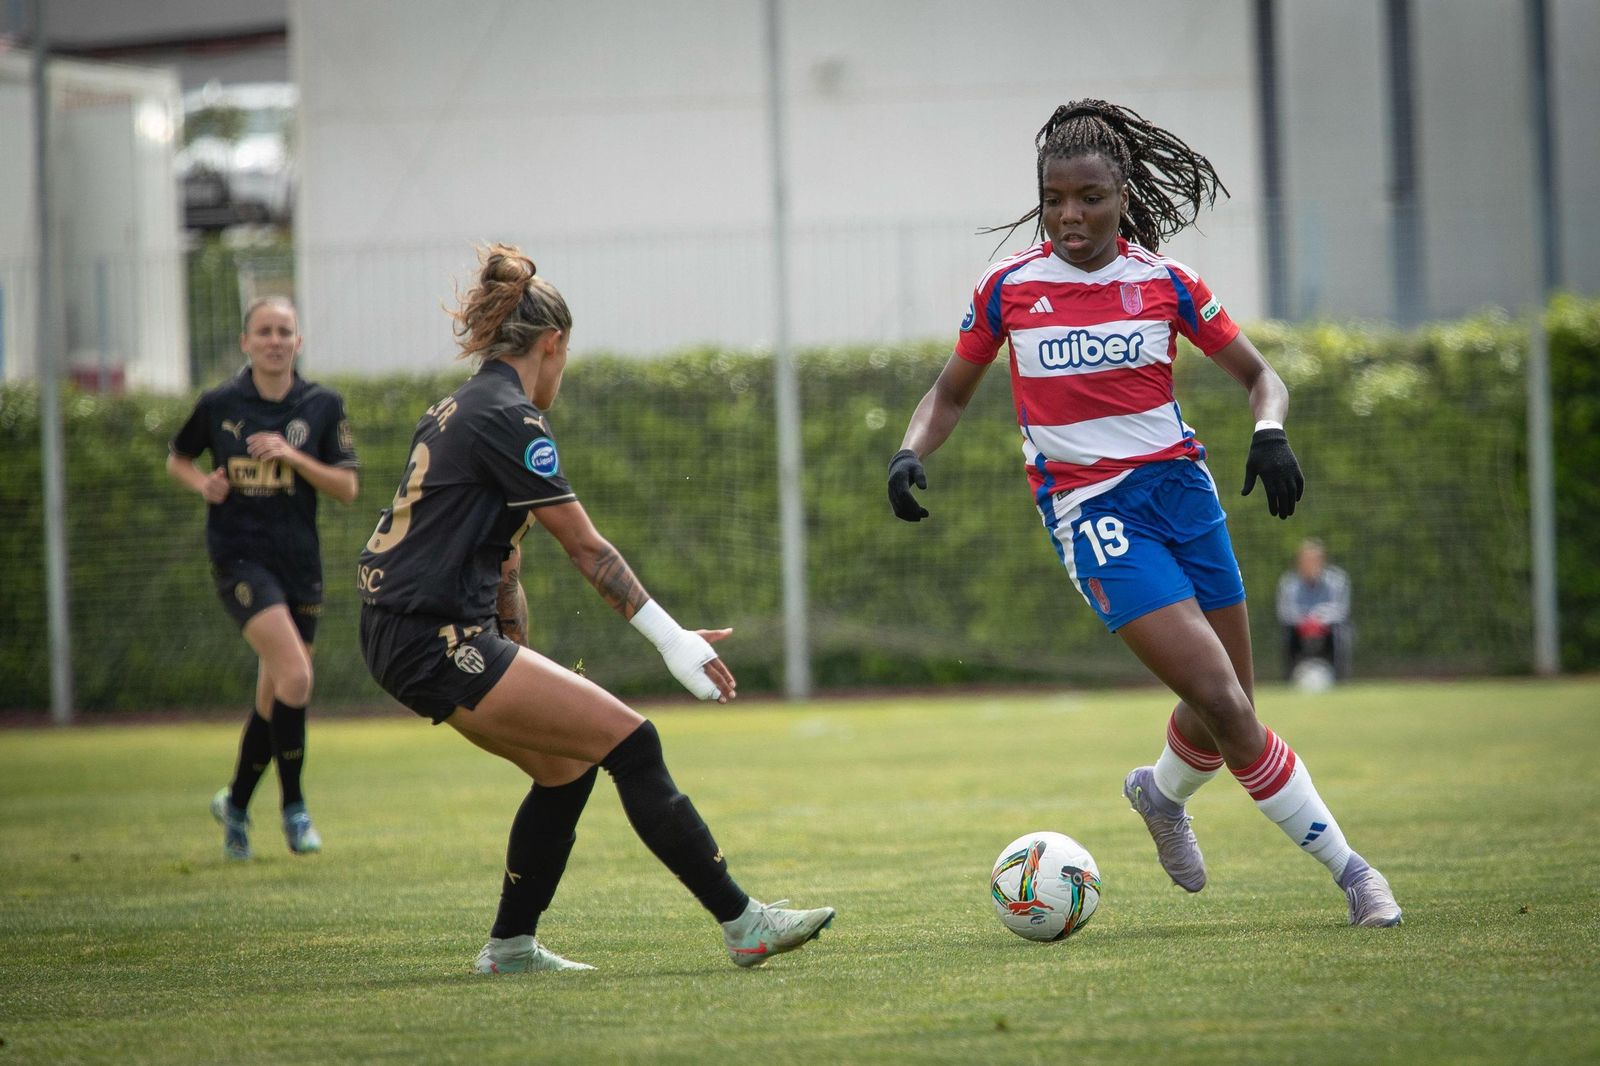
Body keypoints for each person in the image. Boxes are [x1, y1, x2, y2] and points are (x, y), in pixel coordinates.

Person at [886, 100, 1401, 927]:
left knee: (1229, 702)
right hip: (1091, 510)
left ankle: (1158, 796)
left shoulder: (1164, 284)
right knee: (1226, 706)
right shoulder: (1009, 289)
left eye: (1088, 196)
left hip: (1183, 494)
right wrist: (912, 451)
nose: (1068, 215)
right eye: (1054, 198)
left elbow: (1262, 378)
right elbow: (948, 392)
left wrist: (1269, 432)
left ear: (1123, 193)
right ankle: (1356, 875)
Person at [357, 244, 834, 973]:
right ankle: (744, 923)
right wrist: (671, 639)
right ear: (551, 344)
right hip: (429, 634)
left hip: (409, 629)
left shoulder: (457, 408)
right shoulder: (509, 416)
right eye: (566, 356)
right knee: (632, 741)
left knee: (568, 767)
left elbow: (501, 560)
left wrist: (514, 649)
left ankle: (511, 946)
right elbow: (586, 549)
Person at [168, 296, 361, 861]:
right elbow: (179, 456)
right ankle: (295, 810)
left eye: (285, 331)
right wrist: (202, 483)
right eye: (264, 331)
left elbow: (348, 488)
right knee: (297, 678)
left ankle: (235, 806)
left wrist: (292, 458)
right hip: (240, 561)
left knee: (275, 694)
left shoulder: (322, 405)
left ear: (298, 343)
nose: (275, 340)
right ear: (246, 342)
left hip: (300, 565)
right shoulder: (221, 403)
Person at [1277, 538, 1353, 682]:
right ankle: (1288, 678)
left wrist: (1318, 619)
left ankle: (1340, 678)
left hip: (1328, 629)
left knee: (1341, 632)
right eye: (1306, 560)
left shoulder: (1337, 580)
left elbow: (1341, 610)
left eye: (1314, 559)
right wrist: (1305, 621)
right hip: (1299, 629)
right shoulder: (1288, 583)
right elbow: (1285, 611)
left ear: (1322, 561)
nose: (1310, 564)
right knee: (1287, 633)